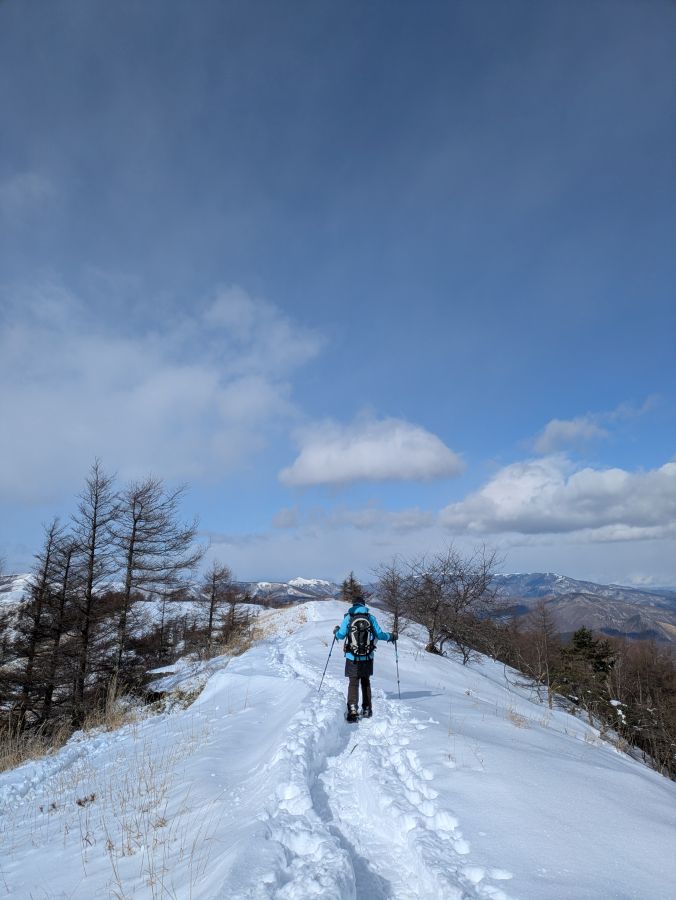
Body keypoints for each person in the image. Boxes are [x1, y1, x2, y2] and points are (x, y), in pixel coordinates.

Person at [333, 595, 397, 721]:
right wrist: (391, 636)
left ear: (353, 605)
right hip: (367, 657)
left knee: (353, 683)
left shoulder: (348, 617)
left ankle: (352, 709)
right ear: (363, 605)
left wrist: (336, 631)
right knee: (365, 682)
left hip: (352, 656)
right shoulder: (370, 617)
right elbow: (380, 634)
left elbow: (340, 636)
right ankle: (367, 709)